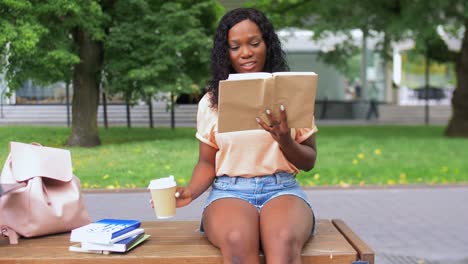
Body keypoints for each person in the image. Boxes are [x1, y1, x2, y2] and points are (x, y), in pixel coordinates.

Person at [155, 8, 318, 263]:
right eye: (235, 46)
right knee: (237, 239)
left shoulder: (292, 93)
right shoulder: (211, 101)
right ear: (226, 53)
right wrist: (190, 192)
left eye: (254, 43)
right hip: (230, 192)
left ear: (268, 45)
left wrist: (284, 140)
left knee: (284, 240)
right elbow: (208, 162)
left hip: (282, 189)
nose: (246, 53)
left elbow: (308, 161)